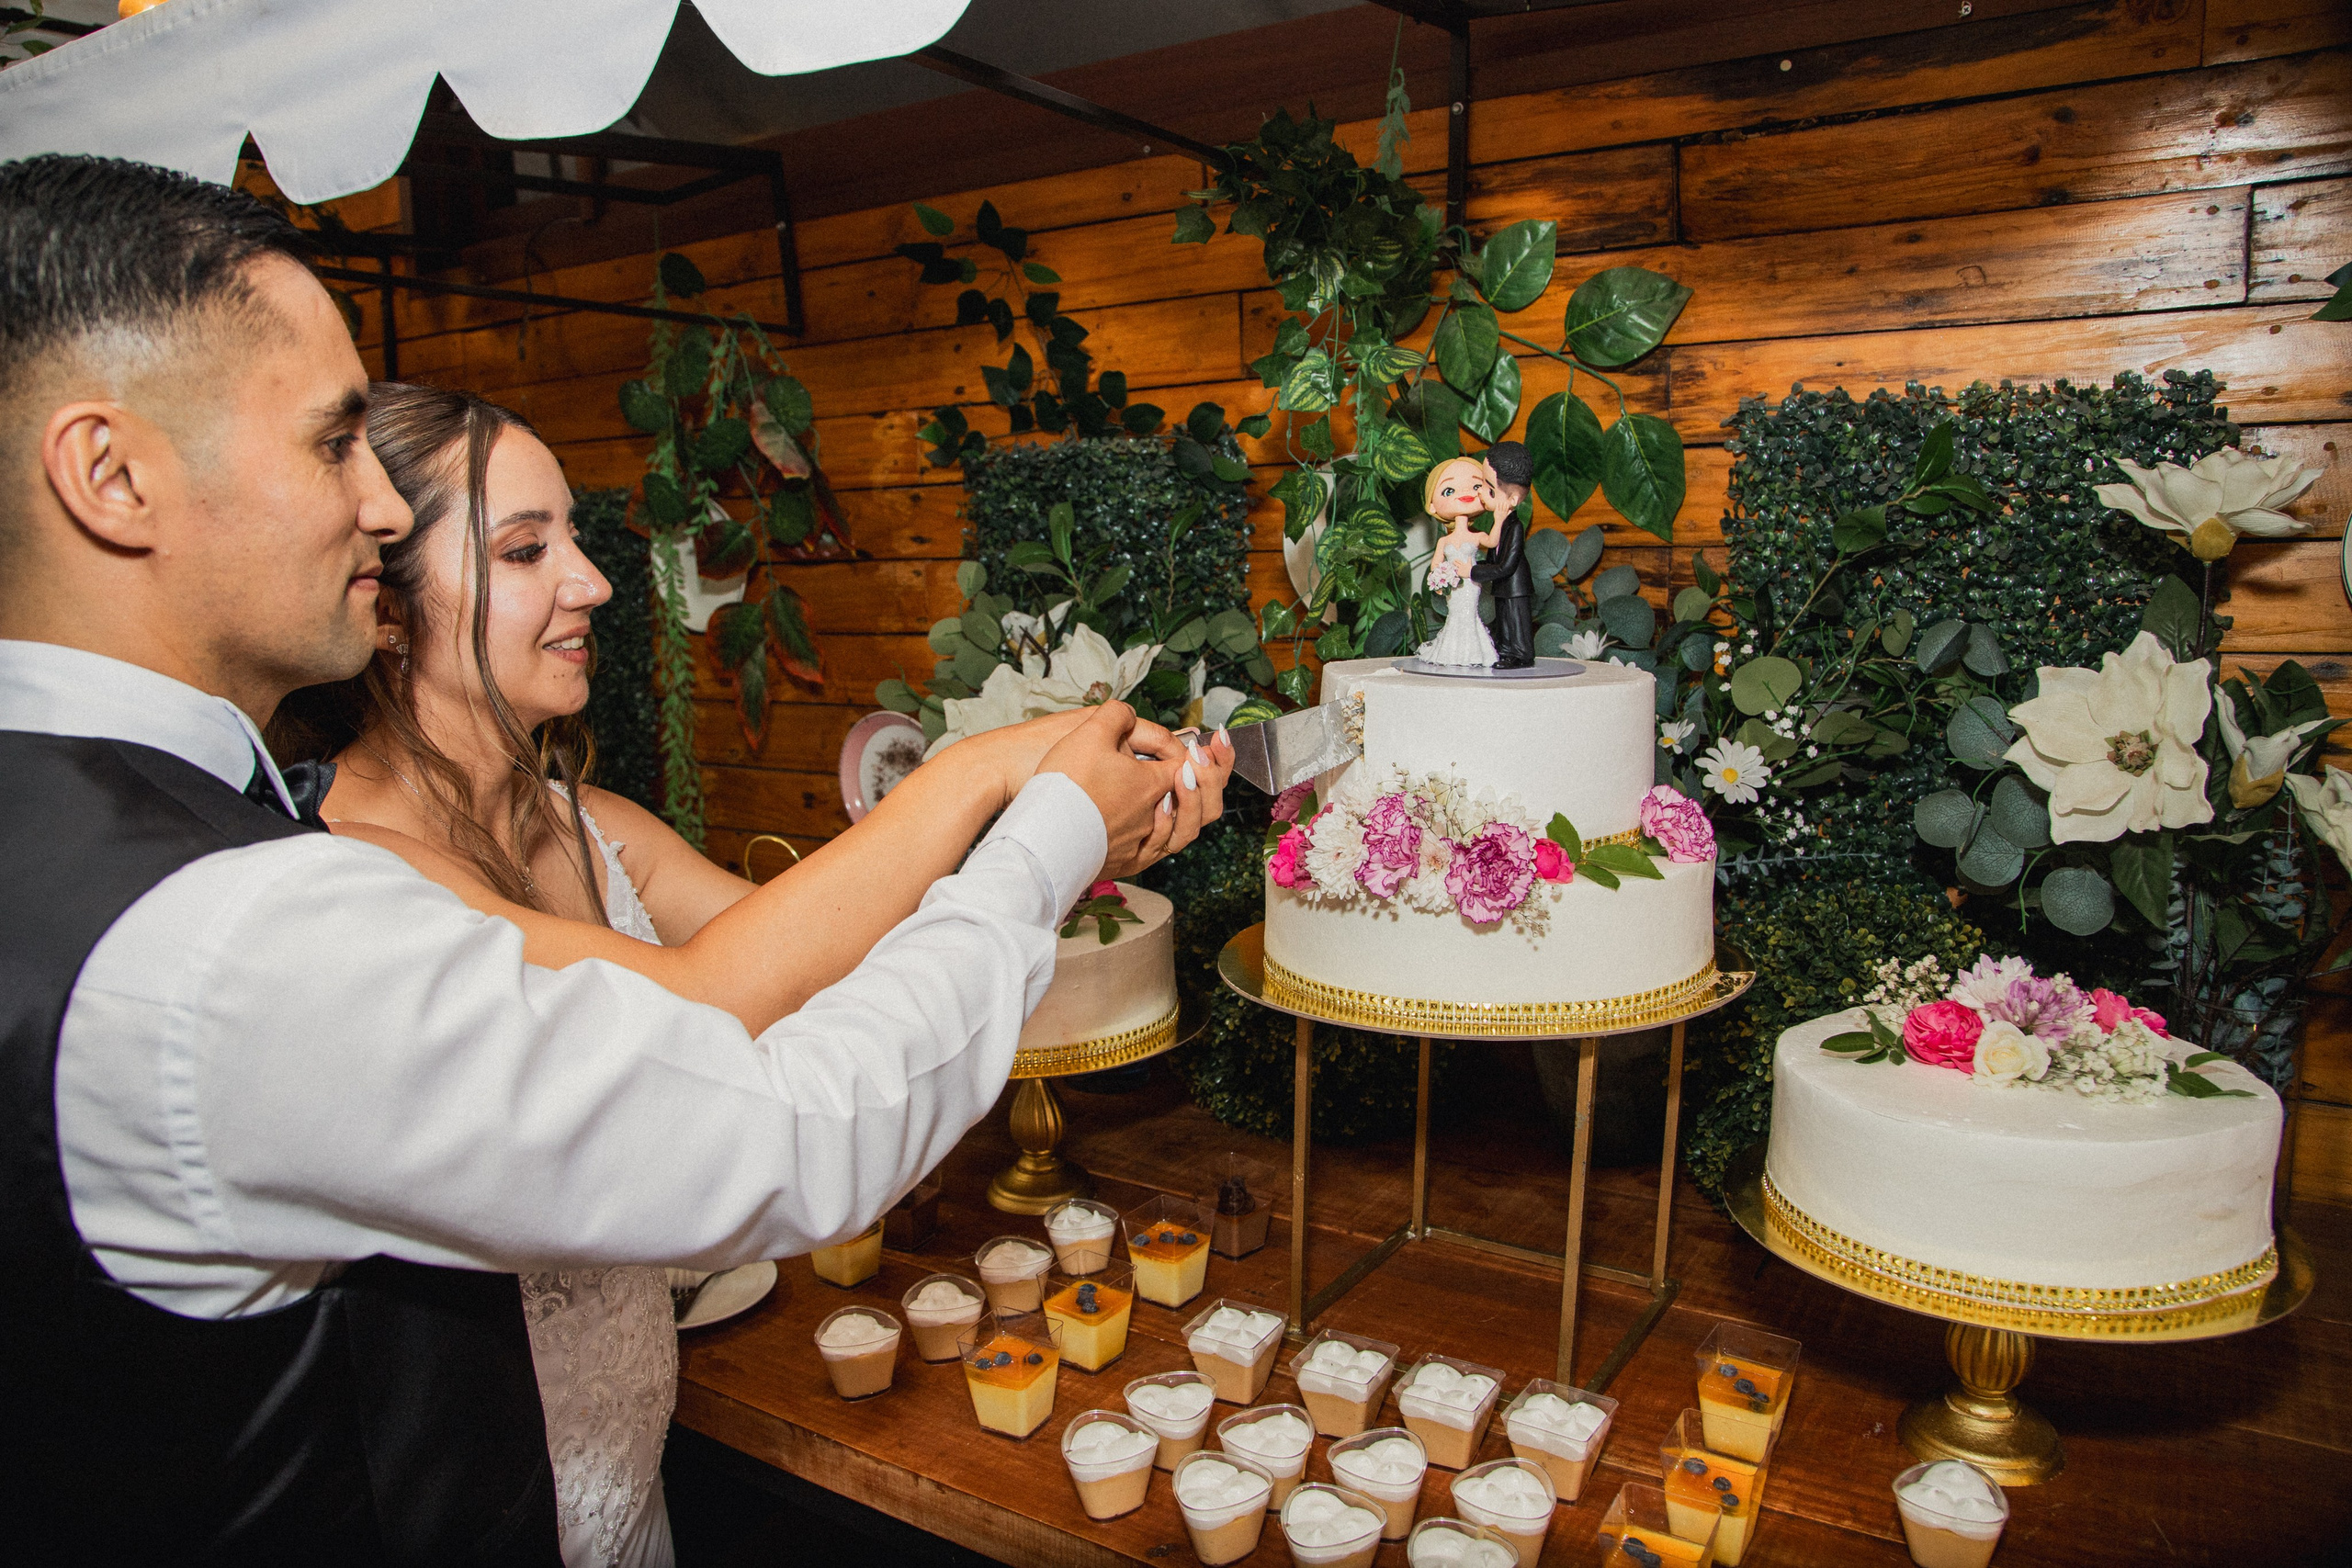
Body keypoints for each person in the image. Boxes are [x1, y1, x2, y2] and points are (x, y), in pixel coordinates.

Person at [0, 152, 1225, 1561]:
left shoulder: (102, 841)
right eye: (331, 439)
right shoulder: (225, 936)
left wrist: (1021, 797)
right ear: (110, 473)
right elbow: (782, 1123)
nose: (380, 507)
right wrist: (1038, 826)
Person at [1414, 457, 1498, 669]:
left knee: (1470, 613)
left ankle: (1474, 654)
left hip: (1471, 582)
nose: (1465, 493)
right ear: (1432, 506)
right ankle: (1452, 654)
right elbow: (1435, 565)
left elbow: (1493, 541)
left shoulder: (1476, 536)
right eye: (1449, 491)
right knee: (1456, 613)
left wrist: (1500, 517)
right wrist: (1440, 581)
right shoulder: (1445, 540)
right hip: (1454, 586)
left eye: (1476, 486)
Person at [1470, 440, 1537, 668]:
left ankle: (1521, 655)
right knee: (1505, 622)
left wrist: (1473, 571)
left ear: (1512, 500)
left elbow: (1506, 566)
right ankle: (1506, 651)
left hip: (1515, 585)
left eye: (1489, 489)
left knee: (1516, 621)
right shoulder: (1501, 524)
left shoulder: (1515, 527)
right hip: (1504, 585)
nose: (1480, 493)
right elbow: (1494, 555)